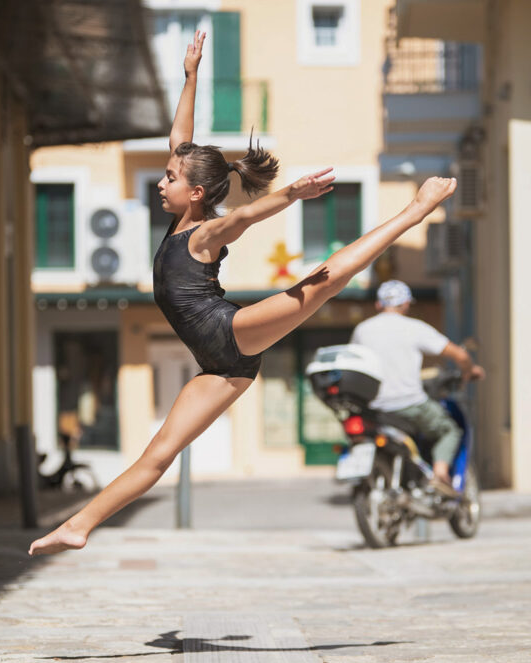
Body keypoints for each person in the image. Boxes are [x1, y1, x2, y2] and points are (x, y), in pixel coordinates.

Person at [28, 31, 458, 555]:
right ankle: (79, 526)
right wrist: (190, 75)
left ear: (197, 193)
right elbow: (179, 140)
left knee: (322, 281)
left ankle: (413, 211)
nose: (161, 183)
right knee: (159, 453)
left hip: (229, 333)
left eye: (169, 179)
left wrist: (292, 194)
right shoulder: (182, 215)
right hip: (218, 366)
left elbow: (248, 215)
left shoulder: (205, 232)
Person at [350, 279, 485, 491]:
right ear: (405, 304)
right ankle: (440, 473)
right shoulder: (414, 328)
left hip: (374, 408)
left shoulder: (362, 329)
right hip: (409, 404)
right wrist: (470, 370)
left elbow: (355, 361)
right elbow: (458, 354)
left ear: (378, 304)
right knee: (449, 430)